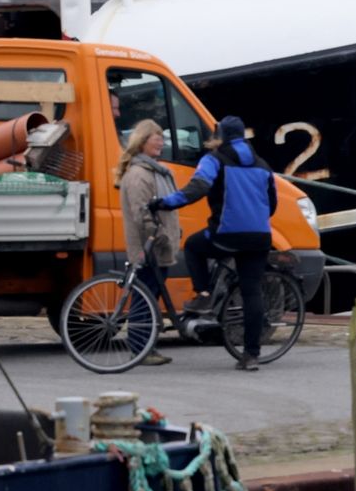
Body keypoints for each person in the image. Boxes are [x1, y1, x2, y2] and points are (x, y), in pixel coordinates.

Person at [153, 116, 277, 371]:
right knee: (251, 292)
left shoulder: (214, 160)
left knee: (192, 246)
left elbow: (197, 188)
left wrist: (165, 203)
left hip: (227, 233)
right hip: (259, 236)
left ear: (219, 136)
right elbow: (272, 203)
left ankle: (204, 295)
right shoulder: (263, 165)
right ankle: (251, 355)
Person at [116, 120, 181, 366]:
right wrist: (158, 234)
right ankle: (140, 348)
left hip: (159, 245)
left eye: (162, 139)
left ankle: (146, 347)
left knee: (150, 296)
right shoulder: (139, 174)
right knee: (144, 297)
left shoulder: (157, 171)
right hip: (148, 247)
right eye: (156, 139)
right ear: (142, 141)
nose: (161, 144)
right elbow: (141, 212)